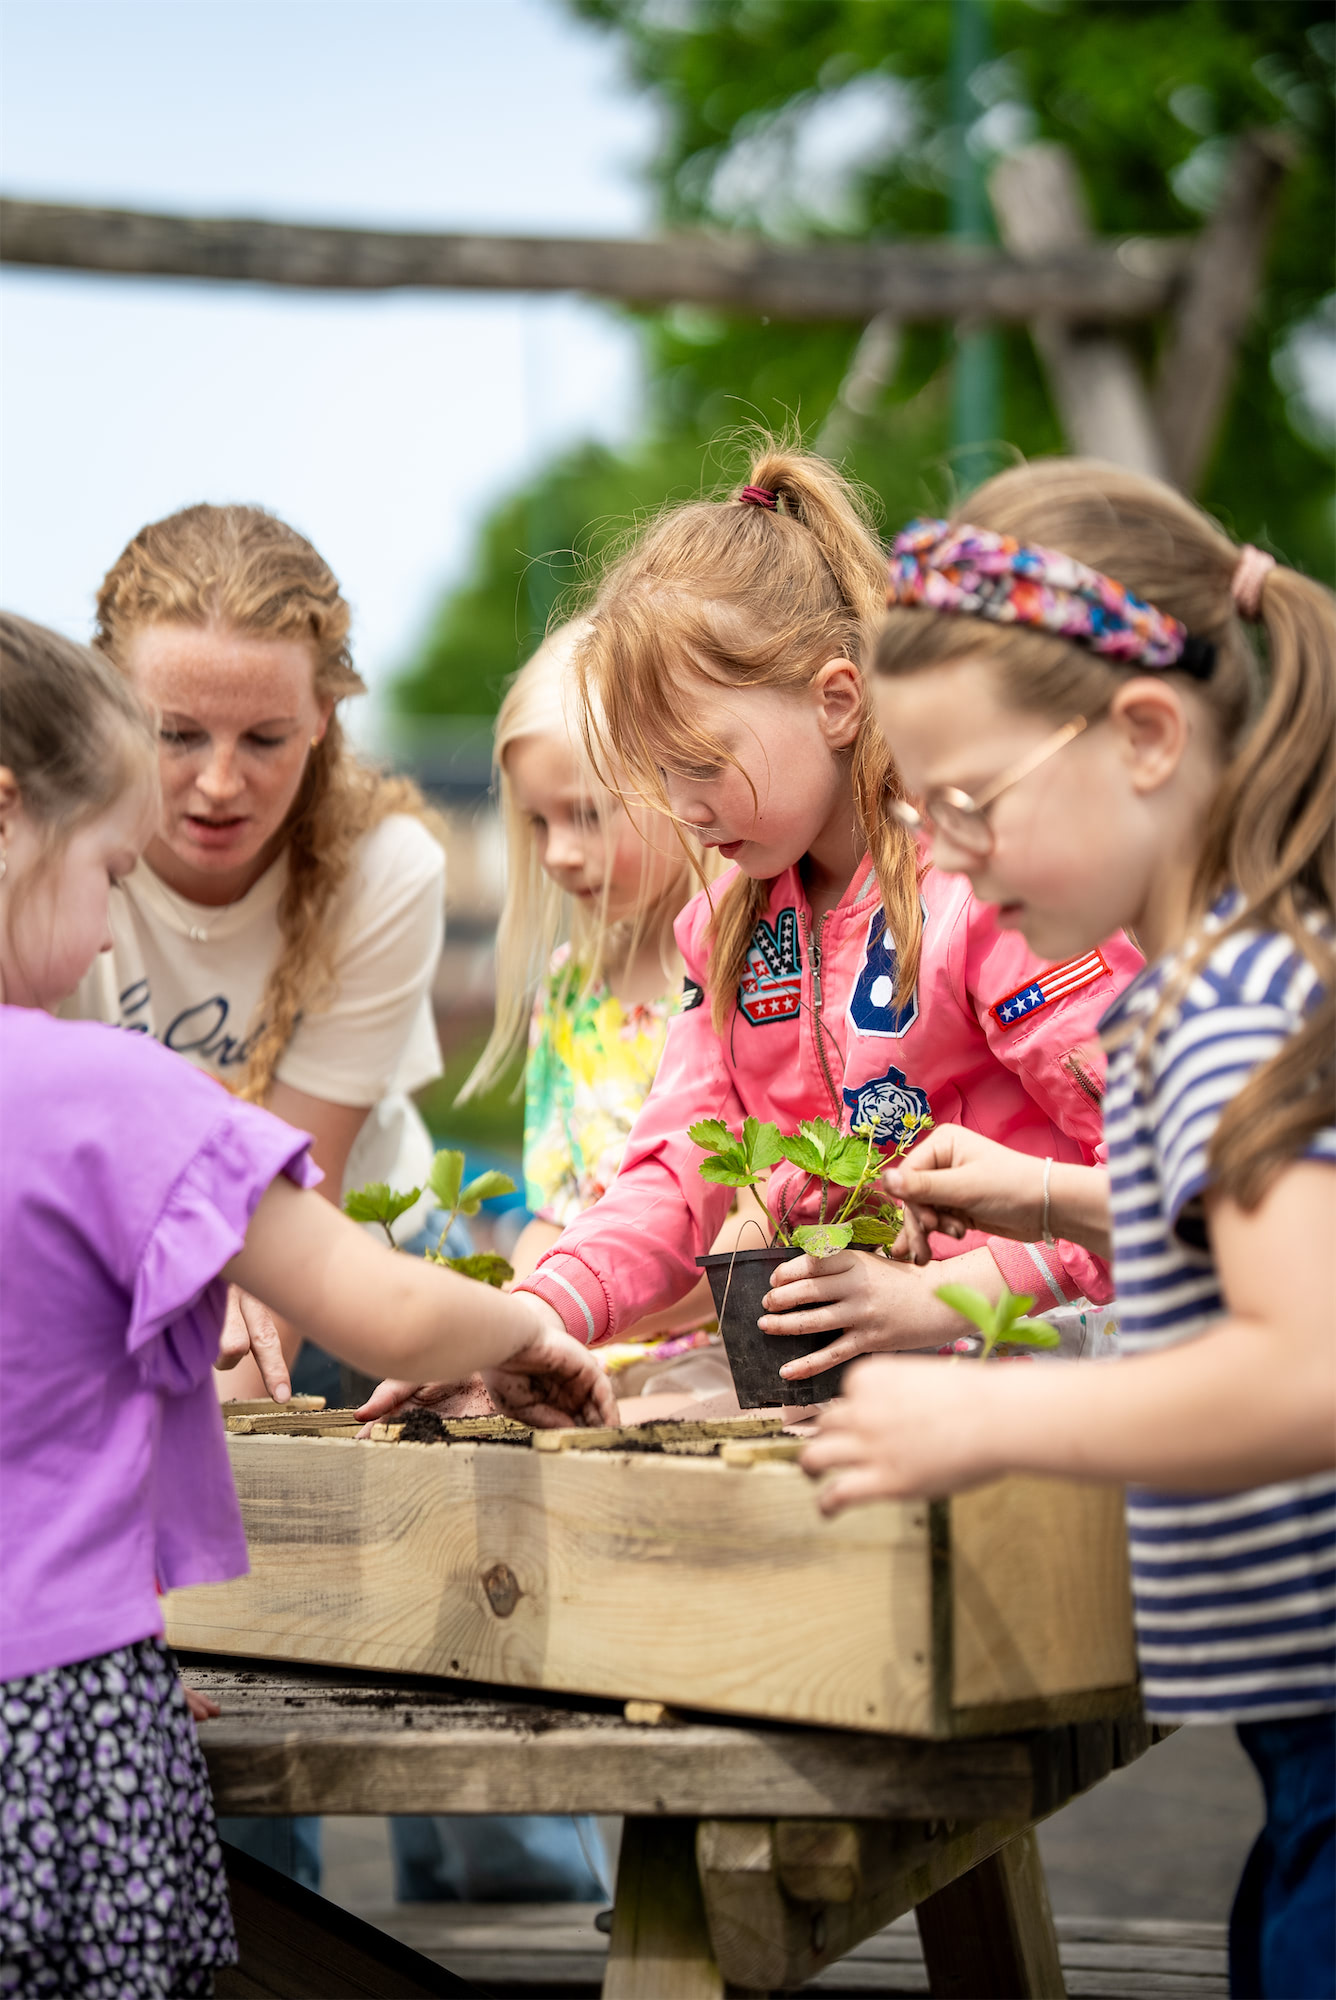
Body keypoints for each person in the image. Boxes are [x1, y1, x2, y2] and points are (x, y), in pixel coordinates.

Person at [0, 613, 614, 1998]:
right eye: (108, 871)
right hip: (60, 1729)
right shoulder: (116, 1093)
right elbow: (385, 1309)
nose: (106, 924)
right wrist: (525, 1328)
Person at [801, 466, 1335, 1999]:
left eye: (971, 802)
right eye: (920, 812)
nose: (946, 854)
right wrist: (1045, 1195)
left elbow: (1309, 1367)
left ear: (1148, 736)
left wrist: (987, 1414)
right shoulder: (1232, 981)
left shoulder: (1223, 1014)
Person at [488, 444, 1143, 1381]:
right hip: (848, 1365)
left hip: (1051, 1350)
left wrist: (938, 1296)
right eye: (658, 774)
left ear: (837, 701)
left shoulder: (991, 888)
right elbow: (671, 1178)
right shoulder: (720, 929)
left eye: (701, 762)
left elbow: (1152, 1181)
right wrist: (533, 1314)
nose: (682, 808)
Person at [66, 503, 452, 1406]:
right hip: (108, 1280)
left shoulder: (386, 870)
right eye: (177, 733)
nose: (219, 783)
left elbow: (296, 1228)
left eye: (265, 739)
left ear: (322, 716)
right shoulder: (43, 858)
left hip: (333, 1290)